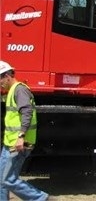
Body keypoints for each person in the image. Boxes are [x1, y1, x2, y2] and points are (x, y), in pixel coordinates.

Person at [0, 61, 49, 201]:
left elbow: (27, 112)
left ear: (7, 76)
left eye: (0, 79)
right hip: (9, 144)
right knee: (2, 179)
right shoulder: (11, 91)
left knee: (8, 180)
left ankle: (41, 198)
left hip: (18, 144)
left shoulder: (19, 90)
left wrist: (21, 136)